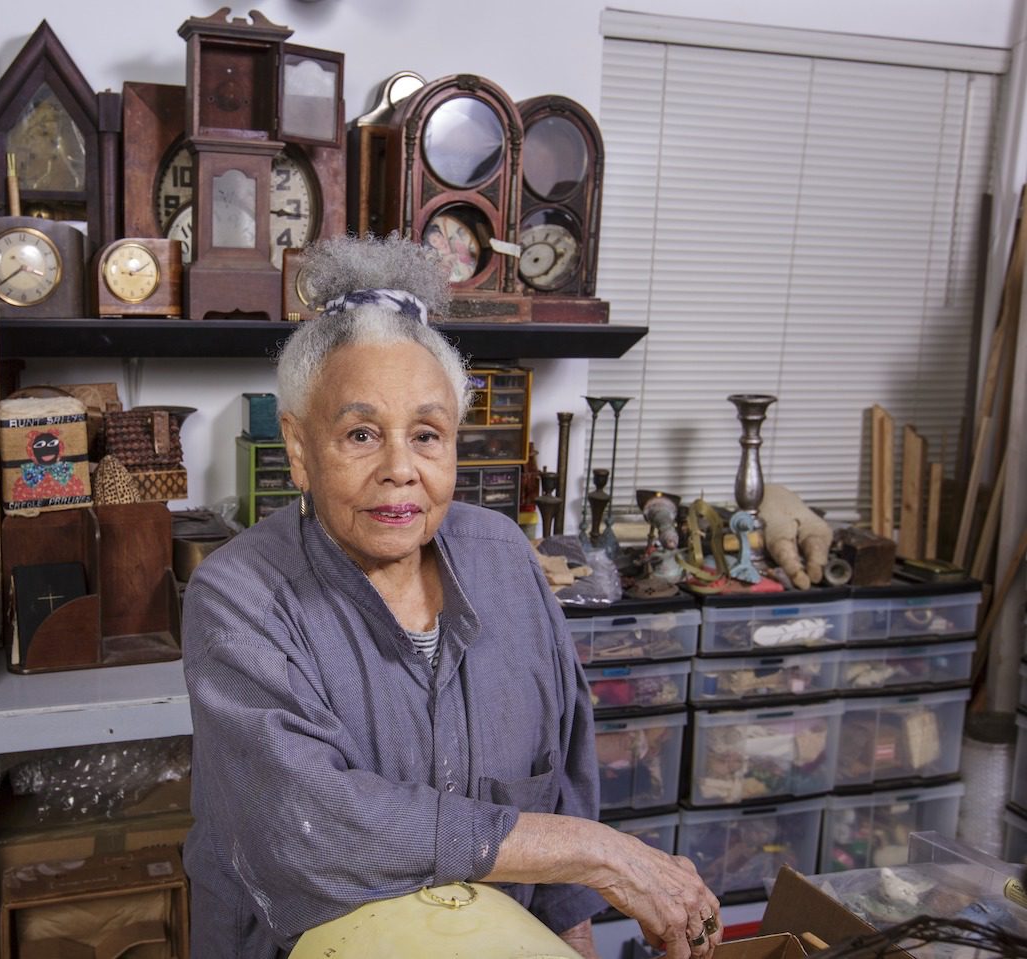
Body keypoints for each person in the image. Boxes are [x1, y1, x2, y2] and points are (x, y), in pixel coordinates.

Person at [181, 234, 721, 959]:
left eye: (427, 434)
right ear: (300, 451)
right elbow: (307, 827)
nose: (400, 469)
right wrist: (593, 852)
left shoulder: (505, 560)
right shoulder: (239, 595)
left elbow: (564, 771)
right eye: (362, 433)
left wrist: (575, 929)